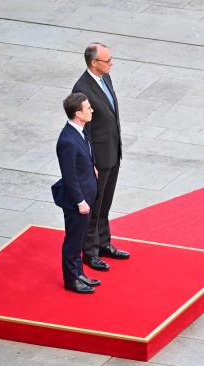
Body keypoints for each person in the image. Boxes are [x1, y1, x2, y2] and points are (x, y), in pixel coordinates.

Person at [72, 42, 129, 272]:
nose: (111, 63)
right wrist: (90, 162)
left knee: (105, 203)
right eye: (107, 60)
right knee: (94, 206)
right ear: (94, 63)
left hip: (112, 152)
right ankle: (90, 252)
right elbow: (83, 129)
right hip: (98, 159)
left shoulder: (105, 78)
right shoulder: (81, 89)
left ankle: (104, 243)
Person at [52, 93, 101, 294]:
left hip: (87, 194)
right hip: (77, 201)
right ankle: (71, 280)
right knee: (73, 241)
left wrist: (92, 167)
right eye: (88, 108)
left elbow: (85, 156)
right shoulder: (68, 141)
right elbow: (69, 176)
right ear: (77, 114)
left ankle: (79, 273)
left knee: (79, 239)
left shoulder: (80, 131)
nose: (92, 110)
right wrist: (80, 200)